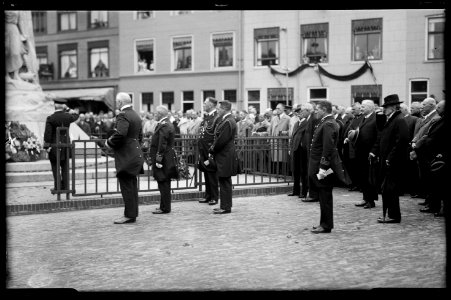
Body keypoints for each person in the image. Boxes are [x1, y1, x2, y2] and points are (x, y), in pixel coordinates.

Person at [309, 100, 349, 234]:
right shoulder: (326, 122)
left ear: (324, 109)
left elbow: (328, 148)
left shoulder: (329, 123)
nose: (315, 111)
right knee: (323, 195)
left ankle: (326, 225)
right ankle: (324, 223)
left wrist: (322, 167)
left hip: (324, 166)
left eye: (317, 109)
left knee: (325, 195)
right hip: (321, 164)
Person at [104, 93, 144, 224]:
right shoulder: (136, 115)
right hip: (135, 152)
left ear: (120, 103)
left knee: (127, 186)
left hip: (126, 155)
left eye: (117, 102)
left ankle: (129, 215)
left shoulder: (123, 115)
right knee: (131, 186)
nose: (117, 104)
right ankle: (132, 213)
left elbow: (121, 133)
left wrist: (109, 143)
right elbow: (140, 136)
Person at [370, 94, 409, 224]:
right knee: (386, 189)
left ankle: (393, 215)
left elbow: (402, 140)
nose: (383, 110)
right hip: (387, 159)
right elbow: (382, 135)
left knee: (390, 189)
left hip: (393, 161)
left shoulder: (399, 119)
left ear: (393, 107)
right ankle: (389, 214)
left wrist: (390, 157)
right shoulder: (391, 119)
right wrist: (375, 152)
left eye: (386, 107)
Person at [412, 100, 445, 215]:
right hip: (429, 153)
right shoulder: (438, 119)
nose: (437, 109)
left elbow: (430, 135)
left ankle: (433, 205)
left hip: (436, 155)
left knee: (435, 182)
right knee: (430, 181)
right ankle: (431, 203)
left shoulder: (438, 119)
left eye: (439, 108)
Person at [43, 99, 79, 194]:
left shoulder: (51, 118)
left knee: (55, 167)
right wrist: (67, 109)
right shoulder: (68, 116)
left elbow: (48, 134)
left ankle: (58, 186)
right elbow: (76, 115)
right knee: (65, 167)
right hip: (66, 146)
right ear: (63, 107)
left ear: (54, 107)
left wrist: (47, 146)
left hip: (54, 146)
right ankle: (66, 186)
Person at [209, 100, 238, 214]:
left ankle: (225, 207)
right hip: (224, 154)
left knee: (225, 181)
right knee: (224, 181)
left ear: (225, 109)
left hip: (225, 155)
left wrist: (212, 148)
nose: (217, 110)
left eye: (219, 108)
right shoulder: (227, 120)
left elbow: (221, 140)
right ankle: (225, 205)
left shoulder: (228, 121)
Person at [149, 106, 179, 214]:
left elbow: (162, 144)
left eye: (155, 113)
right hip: (165, 156)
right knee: (163, 182)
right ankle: (163, 205)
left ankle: (165, 207)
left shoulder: (164, 125)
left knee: (163, 182)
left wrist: (158, 159)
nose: (154, 115)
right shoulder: (164, 124)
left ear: (160, 114)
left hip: (164, 158)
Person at [353, 100, 379, 209]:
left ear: (370, 107)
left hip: (369, 153)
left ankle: (371, 200)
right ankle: (365, 198)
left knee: (369, 178)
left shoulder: (376, 118)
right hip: (361, 153)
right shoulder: (363, 118)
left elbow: (379, 136)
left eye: (363, 107)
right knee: (363, 177)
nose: (361, 109)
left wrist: (374, 151)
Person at [198, 97, 220, 205]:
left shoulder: (216, 117)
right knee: (207, 172)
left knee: (212, 173)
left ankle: (214, 197)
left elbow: (216, 135)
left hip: (210, 150)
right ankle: (208, 195)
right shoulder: (207, 117)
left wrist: (212, 150)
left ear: (211, 105)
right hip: (204, 150)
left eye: (205, 103)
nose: (203, 105)